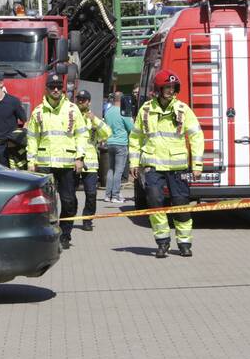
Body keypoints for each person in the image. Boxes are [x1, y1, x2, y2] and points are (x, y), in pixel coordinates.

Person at [129, 70, 204, 258]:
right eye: (167, 87)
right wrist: (133, 162)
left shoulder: (182, 109)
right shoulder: (145, 110)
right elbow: (135, 137)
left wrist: (197, 164)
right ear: (158, 89)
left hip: (177, 167)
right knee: (155, 203)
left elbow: (196, 136)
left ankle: (184, 243)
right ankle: (162, 242)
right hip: (152, 166)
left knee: (180, 204)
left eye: (173, 87)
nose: (171, 90)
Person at [26, 75, 87, 249]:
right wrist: (31, 161)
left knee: (69, 201)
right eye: (52, 86)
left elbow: (81, 134)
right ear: (47, 88)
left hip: (67, 165)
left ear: (63, 89)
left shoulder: (72, 109)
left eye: (58, 87)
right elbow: (32, 138)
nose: (55, 90)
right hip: (44, 165)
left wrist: (79, 157)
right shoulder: (38, 112)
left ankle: (65, 234)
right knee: (45, 203)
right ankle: (48, 235)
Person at [73, 90, 112, 232]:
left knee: (91, 194)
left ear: (89, 102)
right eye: (79, 99)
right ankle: (70, 217)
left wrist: (94, 119)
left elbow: (107, 133)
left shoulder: (94, 118)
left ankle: (87, 219)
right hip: (74, 160)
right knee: (70, 194)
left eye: (84, 99)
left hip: (90, 162)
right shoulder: (71, 115)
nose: (81, 101)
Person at [103, 90, 135, 202]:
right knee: (119, 171)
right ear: (122, 99)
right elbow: (132, 128)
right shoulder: (124, 112)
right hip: (121, 144)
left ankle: (107, 195)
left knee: (111, 169)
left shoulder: (108, 111)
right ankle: (115, 195)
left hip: (110, 143)